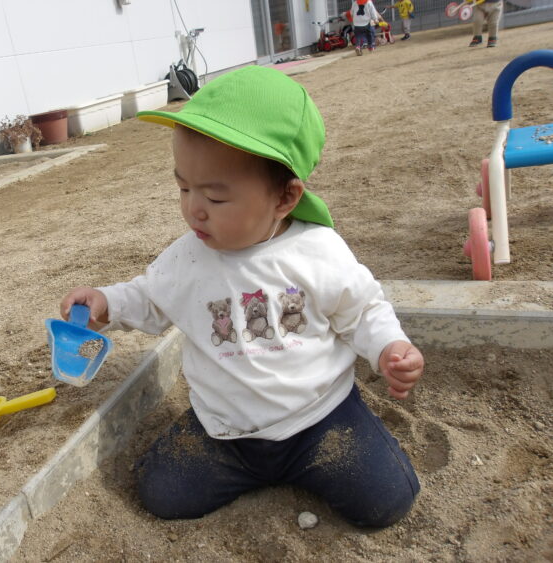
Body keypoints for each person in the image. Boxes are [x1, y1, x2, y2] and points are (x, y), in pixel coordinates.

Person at [59, 66, 424, 527]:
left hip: (320, 420)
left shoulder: (316, 251)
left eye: (215, 197)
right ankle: (246, 466)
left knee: (387, 500)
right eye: (184, 188)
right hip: (224, 432)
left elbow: (362, 310)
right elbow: (149, 296)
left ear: (285, 198)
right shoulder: (187, 258)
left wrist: (389, 346)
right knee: (161, 494)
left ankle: (311, 463)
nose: (194, 209)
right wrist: (105, 303)